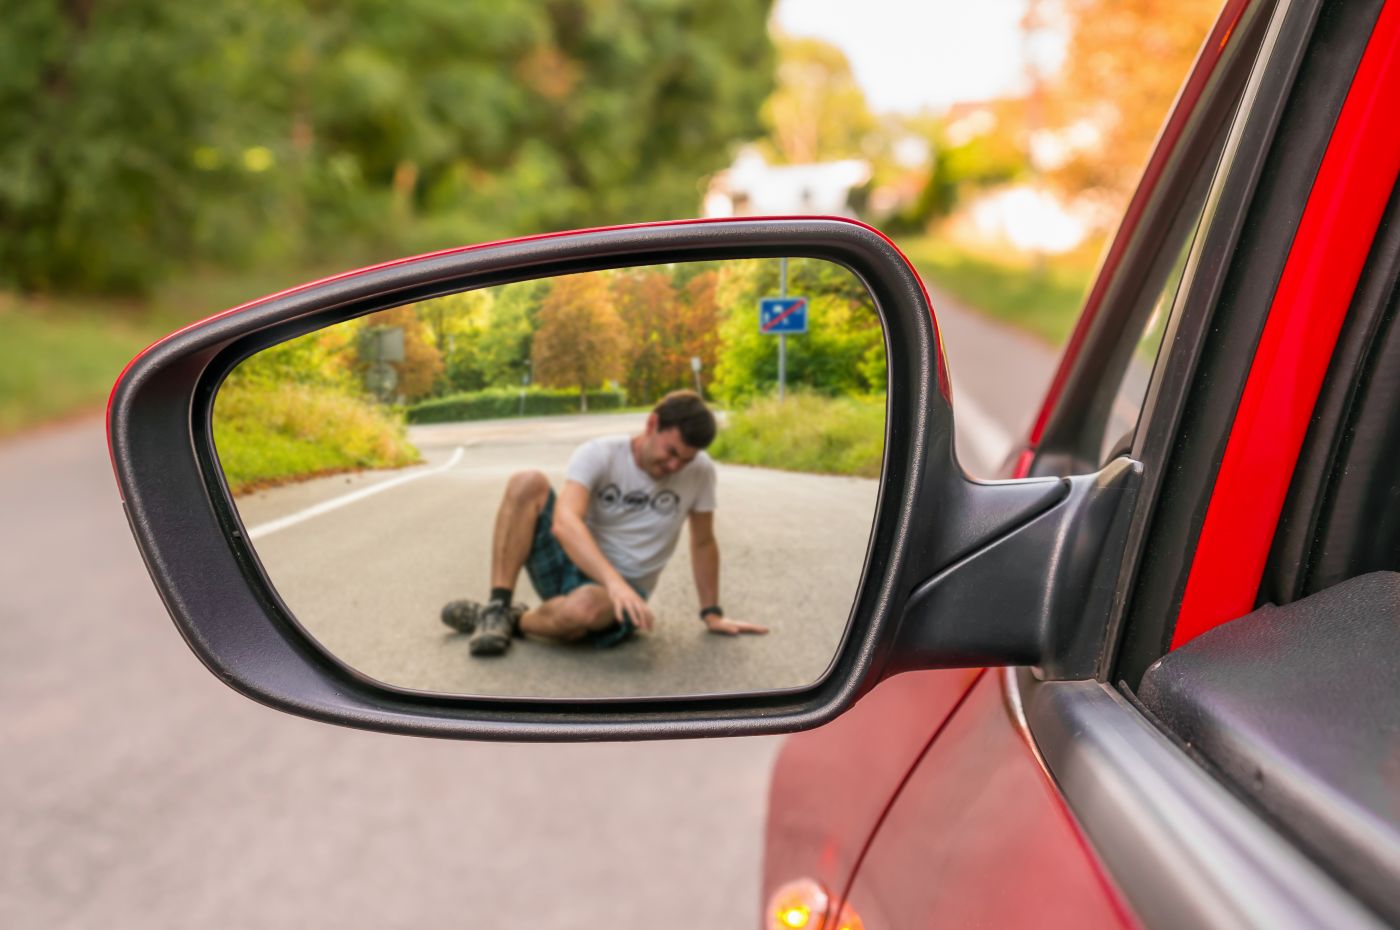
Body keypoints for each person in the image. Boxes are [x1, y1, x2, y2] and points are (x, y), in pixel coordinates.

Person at [441, 390, 768, 656]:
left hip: (621, 591)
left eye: (685, 460)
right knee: (527, 481)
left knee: (583, 610)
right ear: (652, 424)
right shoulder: (601, 454)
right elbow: (565, 521)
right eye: (671, 452)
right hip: (575, 563)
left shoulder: (700, 472)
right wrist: (614, 582)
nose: (674, 466)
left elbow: (703, 542)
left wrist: (711, 613)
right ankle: (498, 604)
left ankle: (512, 620)